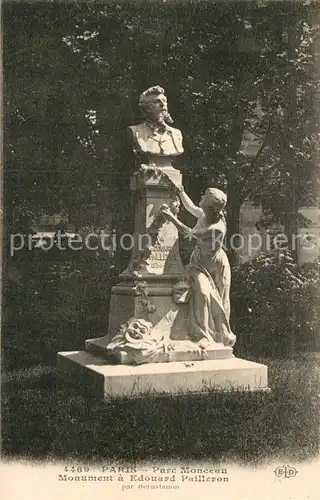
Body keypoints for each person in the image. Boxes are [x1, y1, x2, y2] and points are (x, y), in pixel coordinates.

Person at [160, 185, 236, 348]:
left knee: (220, 300)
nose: (201, 196)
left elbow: (189, 233)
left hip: (216, 266)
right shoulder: (204, 214)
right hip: (199, 263)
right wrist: (180, 191)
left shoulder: (217, 228)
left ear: (209, 206)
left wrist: (171, 217)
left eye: (205, 196)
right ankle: (203, 334)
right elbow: (190, 207)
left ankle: (216, 335)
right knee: (203, 292)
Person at [128, 86, 184, 156]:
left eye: (164, 101)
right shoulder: (135, 131)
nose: (163, 105)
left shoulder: (176, 133)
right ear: (147, 108)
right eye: (157, 102)